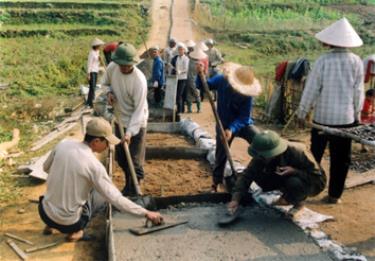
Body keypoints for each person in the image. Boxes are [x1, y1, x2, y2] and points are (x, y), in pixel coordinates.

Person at [39, 117, 162, 242]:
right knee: (101, 194)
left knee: (65, 182)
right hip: (69, 223)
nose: (109, 146)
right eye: (107, 143)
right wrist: (146, 213)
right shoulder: (94, 166)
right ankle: (76, 232)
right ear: (96, 141)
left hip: (44, 213)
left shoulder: (63, 144)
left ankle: (50, 225)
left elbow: (45, 168)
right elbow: (116, 199)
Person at [297, 17, 365, 204]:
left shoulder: (323, 61)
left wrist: (302, 112)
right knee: (341, 159)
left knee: (314, 156)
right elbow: (358, 92)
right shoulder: (356, 61)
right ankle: (334, 195)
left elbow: (311, 88)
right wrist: (357, 115)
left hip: (322, 119)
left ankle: (306, 191)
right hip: (346, 119)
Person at [196, 62, 261, 192]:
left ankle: (262, 175)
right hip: (223, 123)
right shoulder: (221, 79)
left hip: (242, 125)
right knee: (221, 153)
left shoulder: (247, 95)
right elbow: (204, 86)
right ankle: (217, 183)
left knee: (260, 141)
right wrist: (200, 74)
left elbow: (244, 117)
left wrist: (232, 129)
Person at [227, 130, 326, 215]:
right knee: (259, 176)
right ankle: (286, 194)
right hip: (284, 176)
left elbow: (317, 179)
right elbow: (247, 176)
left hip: (311, 181)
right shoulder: (261, 156)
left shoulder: (298, 151)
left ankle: (299, 202)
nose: (262, 158)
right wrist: (235, 199)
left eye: (265, 156)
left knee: (294, 182)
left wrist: (294, 171)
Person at [102, 43, 149, 196]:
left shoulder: (139, 81)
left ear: (133, 63)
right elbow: (104, 84)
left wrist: (130, 133)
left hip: (137, 121)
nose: (123, 68)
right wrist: (108, 92)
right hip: (120, 118)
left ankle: (135, 188)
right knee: (121, 158)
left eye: (127, 65)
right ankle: (129, 184)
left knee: (134, 160)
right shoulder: (112, 68)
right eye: (121, 65)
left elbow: (139, 111)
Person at [186, 46, 207, 113]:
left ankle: (190, 109)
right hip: (195, 81)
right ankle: (198, 109)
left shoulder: (189, 61)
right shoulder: (200, 64)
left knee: (189, 94)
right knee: (197, 94)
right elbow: (202, 73)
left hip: (189, 79)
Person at [87, 38, 105, 108]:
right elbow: (89, 63)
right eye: (99, 45)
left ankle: (90, 101)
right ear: (96, 45)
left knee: (93, 87)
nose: (100, 46)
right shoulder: (91, 53)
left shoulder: (97, 52)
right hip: (92, 71)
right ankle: (90, 103)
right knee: (92, 87)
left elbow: (97, 62)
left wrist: (100, 60)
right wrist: (88, 74)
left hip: (96, 70)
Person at [174, 42, 189, 114]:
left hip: (183, 78)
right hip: (177, 78)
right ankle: (182, 109)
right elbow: (176, 67)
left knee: (179, 95)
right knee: (179, 94)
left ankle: (179, 110)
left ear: (184, 50)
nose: (180, 51)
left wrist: (181, 71)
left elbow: (186, 69)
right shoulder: (177, 58)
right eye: (179, 49)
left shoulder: (186, 59)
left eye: (181, 49)